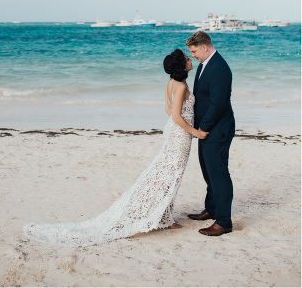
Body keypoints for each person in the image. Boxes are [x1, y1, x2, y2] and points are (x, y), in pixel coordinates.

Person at [23, 48, 207, 246]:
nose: (190, 60)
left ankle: (164, 215)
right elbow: (176, 116)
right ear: (182, 65)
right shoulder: (179, 86)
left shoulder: (172, 82)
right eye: (187, 58)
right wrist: (195, 131)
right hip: (179, 136)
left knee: (167, 174)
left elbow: (167, 109)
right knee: (170, 175)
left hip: (175, 133)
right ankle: (164, 218)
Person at [185, 30, 234, 237]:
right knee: (208, 171)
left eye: (194, 51)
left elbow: (218, 103)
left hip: (217, 129)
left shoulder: (220, 68)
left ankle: (224, 221)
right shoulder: (205, 65)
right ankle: (212, 209)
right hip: (206, 128)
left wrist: (203, 128)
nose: (193, 55)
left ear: (204, 47)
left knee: (218, 174)